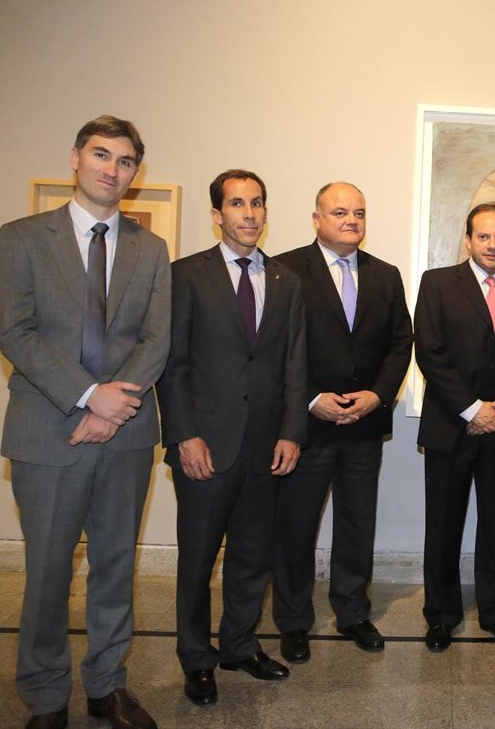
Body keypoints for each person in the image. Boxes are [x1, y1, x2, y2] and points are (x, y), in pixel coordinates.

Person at [0, 116, 169, 729]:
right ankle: (45, 697)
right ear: (75, 157)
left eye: (125, 161)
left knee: (116, 567)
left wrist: (113, 408)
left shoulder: (151, 249)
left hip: (127, 434)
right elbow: (16, 332)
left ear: (134, 173)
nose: (111, 169)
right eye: (101, 155)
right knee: (47, 572)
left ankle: (106, 685)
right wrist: (90, 396)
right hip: (47, 431)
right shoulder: (22, 238)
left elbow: (157, 338)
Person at [156, 169, 307, 706]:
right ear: (217, 214)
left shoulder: (287, 281)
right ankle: (197, 659)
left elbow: (295, 365)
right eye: (238, 204)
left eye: (257, 203)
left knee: (252, 556)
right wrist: (184, 435)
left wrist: (292, 433)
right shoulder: (186, 275)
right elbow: (172, 364)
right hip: (205, 446)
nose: (250, 213)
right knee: (198, 560)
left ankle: (240, 645)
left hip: (265, 447)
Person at [272, 182, 412, 656]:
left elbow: (401, 343)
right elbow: (275, 348)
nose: (351, 220)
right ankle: (293, 620)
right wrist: (311, 398)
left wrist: (378, 395)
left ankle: (353, 612)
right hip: (305, 427)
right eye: (339, 212)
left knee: (357, 523)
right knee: (296, 526)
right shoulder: (285, 269)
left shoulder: (385, 275)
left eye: (359, 212)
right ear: (317, 219)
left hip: (363, 426)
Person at [413, 204, 495, 651]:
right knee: (443, 526)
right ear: (468, 239)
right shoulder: (437, 283)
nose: (492, 245)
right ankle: (441, 615)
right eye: (484, 237)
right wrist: (472, 410)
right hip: (449, 427)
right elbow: (430, 352)